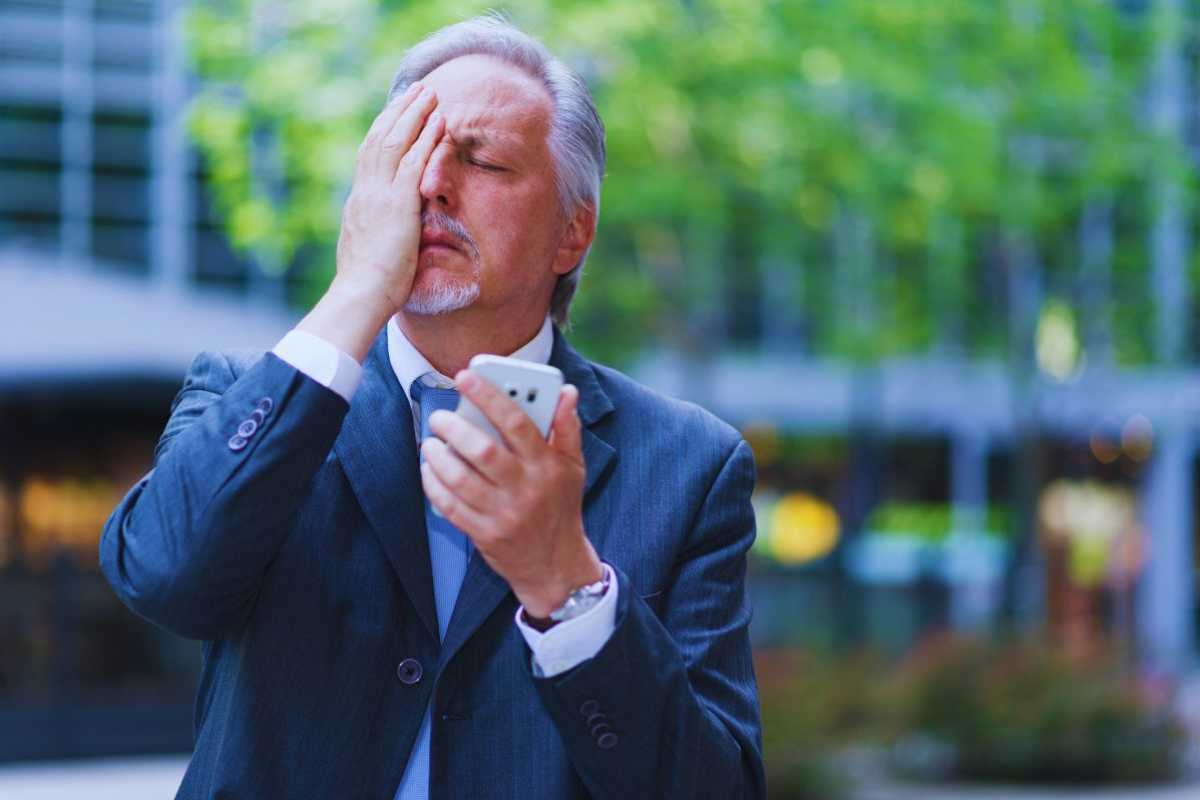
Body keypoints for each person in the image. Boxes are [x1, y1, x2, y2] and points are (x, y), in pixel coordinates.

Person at [100, 14, 763, 799]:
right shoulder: (257, 393)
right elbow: (164, 579)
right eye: (409, 155)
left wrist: (567, 587)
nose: (433, 185)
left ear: (571, 233)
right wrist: (355, 293)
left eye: (480, 160)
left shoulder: (690, 466)